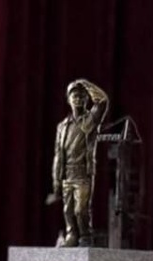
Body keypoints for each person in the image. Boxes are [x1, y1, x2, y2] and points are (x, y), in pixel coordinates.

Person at [49, 78, 109, 248]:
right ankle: (72, 235)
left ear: (87, 99)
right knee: (68, 210)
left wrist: (86, 85)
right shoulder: (62, 126)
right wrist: (56, 179)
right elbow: (58, 154)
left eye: (82, 96)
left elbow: (102, 101)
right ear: (68, 99)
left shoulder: (90, 120)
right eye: (74, 96)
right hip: (67, 174)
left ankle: (85, 236)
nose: (78, 99)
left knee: (80, 210)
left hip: (83, 173)